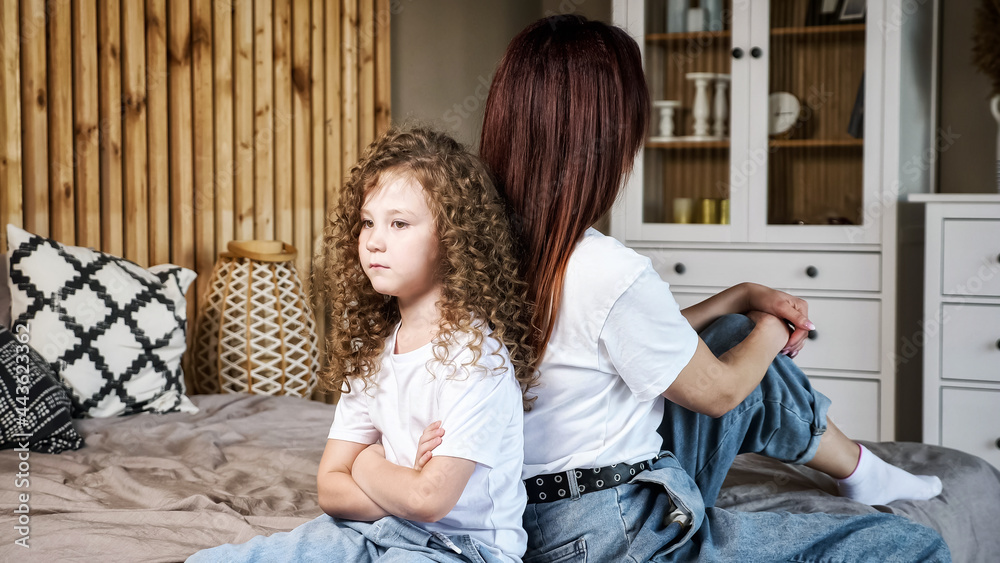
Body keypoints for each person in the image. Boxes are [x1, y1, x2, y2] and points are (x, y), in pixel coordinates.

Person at [474, 14, 950, 562]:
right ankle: (866, 475)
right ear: (608, 136)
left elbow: (605, 341)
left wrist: (741, 297)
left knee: (727, 330)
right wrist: (772, 328)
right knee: (912, 548)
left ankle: (864, 472)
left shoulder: (478, 246)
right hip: (615, 528)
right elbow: (720, 393)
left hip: (522, 510)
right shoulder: (604, 266)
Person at [188, 127, 537, 563]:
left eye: (399, 223)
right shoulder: (372, 350)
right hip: (371, 531)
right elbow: (330, 488)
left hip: (460, 550)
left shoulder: (475, 358)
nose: (373, 240)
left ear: (452, 241)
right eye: (368, 222)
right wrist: (401, 479)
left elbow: (429, 500)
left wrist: (369, 463)